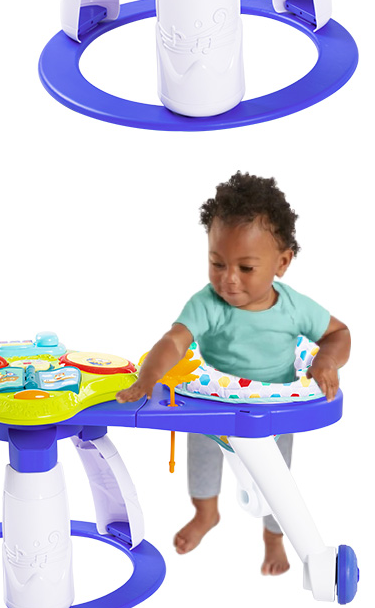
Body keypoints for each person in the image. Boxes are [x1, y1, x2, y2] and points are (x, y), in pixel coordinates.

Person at [117, 171, 350, 574]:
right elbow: (175, 340)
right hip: (213, 402)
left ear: (281, 263)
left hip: (273, 408)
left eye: (245, 267)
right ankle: (206, 513)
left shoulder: (294, 308)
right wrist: (149, 376)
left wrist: (326, 361)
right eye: (217, 263)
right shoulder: (207, 303)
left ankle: (274, 538)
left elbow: (338, 333)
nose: (228, 279)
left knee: (278, 482)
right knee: (202, 458)